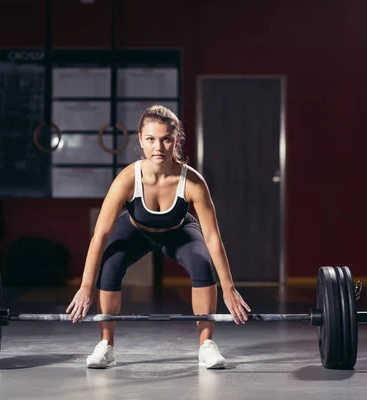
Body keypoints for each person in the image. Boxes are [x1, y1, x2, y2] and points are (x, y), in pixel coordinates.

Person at [65, 104, 251, 369]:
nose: (158, 147)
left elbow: (212, 238)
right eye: (151, 139)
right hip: (135, 230)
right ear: (141, 140)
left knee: (202, 263)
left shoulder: (193, 182)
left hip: (178, 231)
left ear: (177, 140)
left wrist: (229, 289)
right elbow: (100, 234)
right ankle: (106, 345)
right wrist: (85, 287)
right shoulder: (127, 179)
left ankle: (206, 345)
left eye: (166, 139)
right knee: (111, 265)